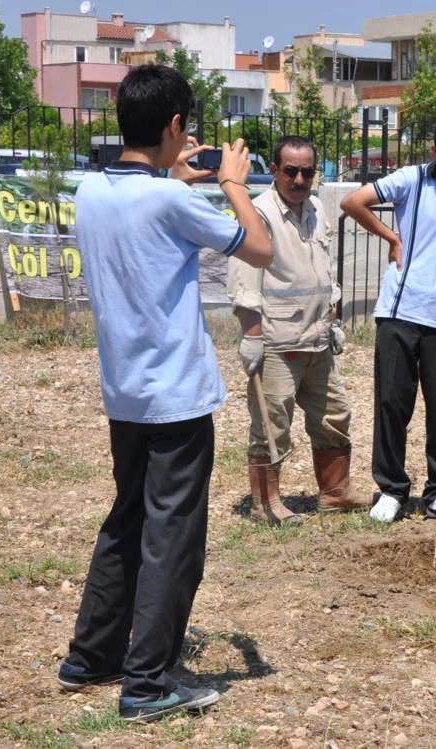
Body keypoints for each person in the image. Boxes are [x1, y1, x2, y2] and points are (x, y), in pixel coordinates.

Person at [58, 64, 275, 722]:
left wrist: (178, 173)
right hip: (177, 397)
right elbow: (260, 249)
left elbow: (146, 203)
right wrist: (234, 186)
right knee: (172, 539)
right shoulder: (174, 202)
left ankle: (91, 655)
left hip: (125, 392)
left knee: (126, 522)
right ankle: (148, 681)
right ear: (175, 125)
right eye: (186, 128)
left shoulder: (89, 190)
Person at [339, 114, 436, 525]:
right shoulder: (410, 180)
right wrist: (391, 236)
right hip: (399, 310)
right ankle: (391, 489)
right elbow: (352, 203)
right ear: (435, 152)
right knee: (391, 403)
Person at [228, 135, 370, 524]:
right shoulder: (258, 214)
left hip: (315, 339)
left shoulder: (316, 211)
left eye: (308, 171)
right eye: (290, 170)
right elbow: (245, 280)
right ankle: (265, 503)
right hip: (275, 342)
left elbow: (323, 268)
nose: (299, 178)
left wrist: (333, 318)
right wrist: (252, 336)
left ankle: (335, 492)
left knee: (335, 415)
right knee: (273, 423)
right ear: (274, 170)